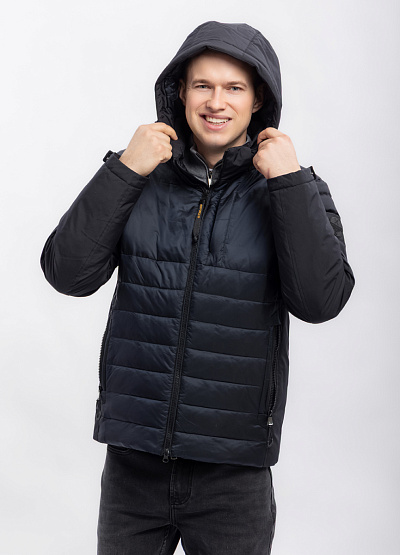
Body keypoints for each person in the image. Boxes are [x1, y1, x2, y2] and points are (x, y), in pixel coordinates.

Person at [40, 20, 355, 555]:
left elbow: (320, 302)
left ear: (258, 100)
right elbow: (67, 274)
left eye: (234, 88)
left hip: (234, 475)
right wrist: (126, 169)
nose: (216, 102)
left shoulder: (295, 188)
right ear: (180, 93)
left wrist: (288, 182)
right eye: (202, 85)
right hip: (133, 464)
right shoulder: (140, 175)